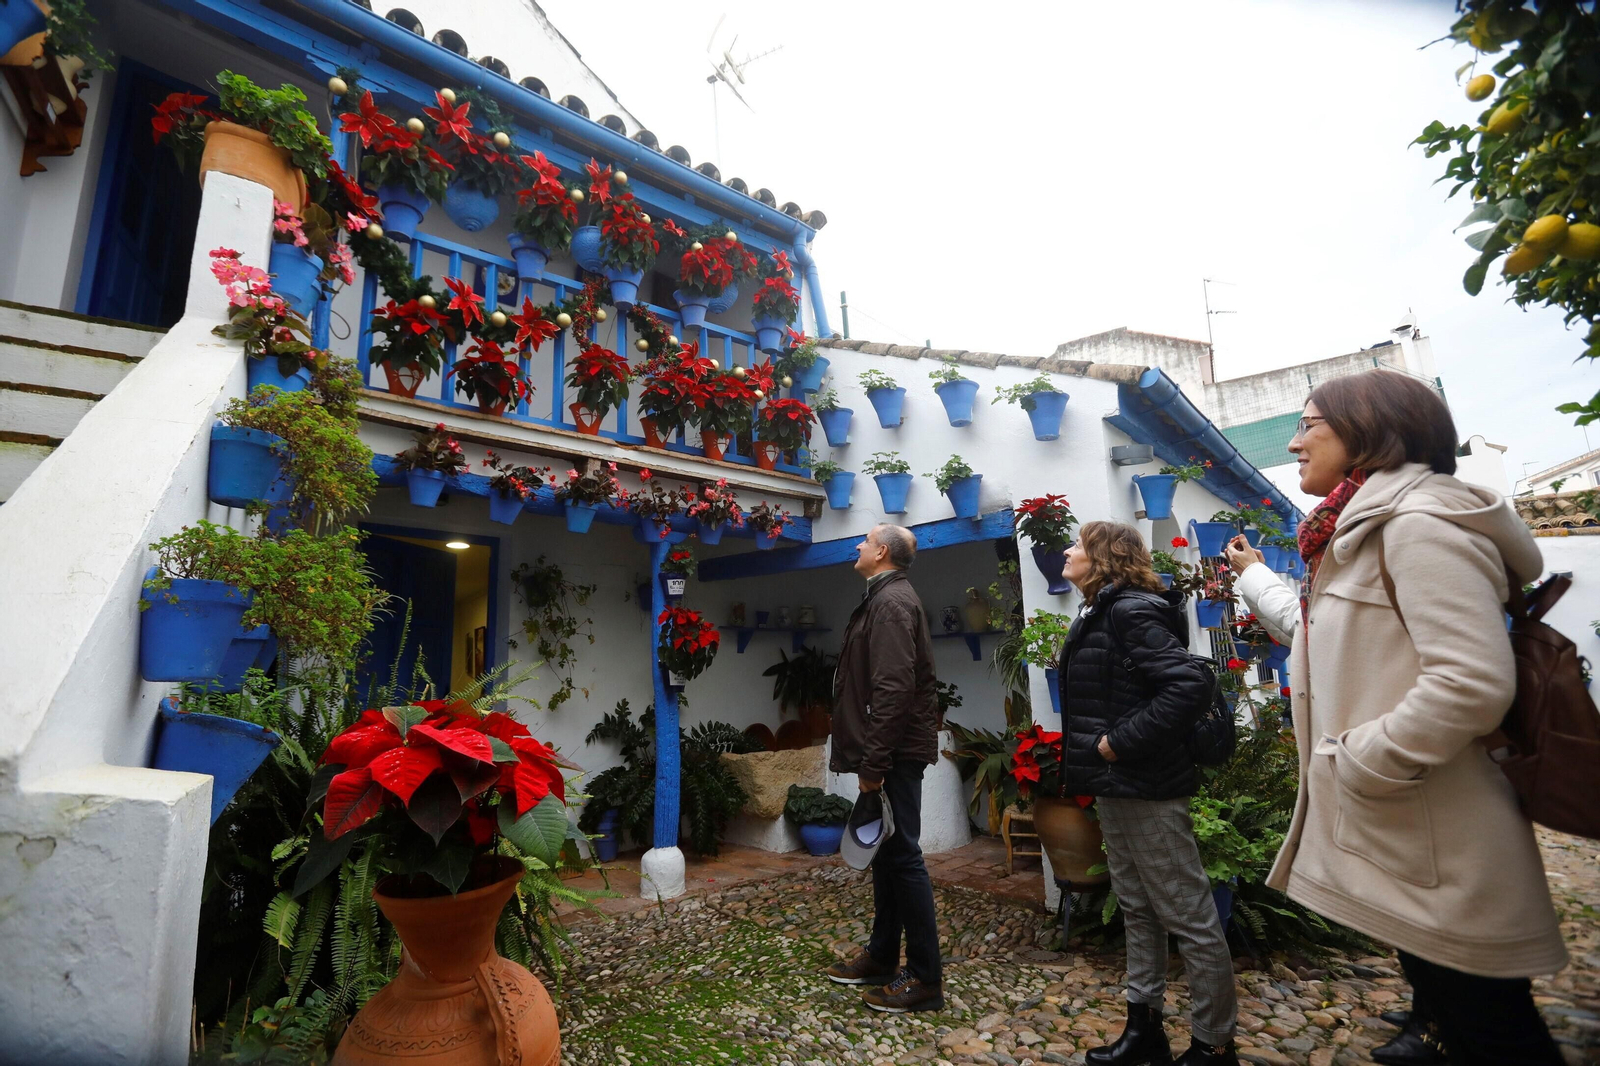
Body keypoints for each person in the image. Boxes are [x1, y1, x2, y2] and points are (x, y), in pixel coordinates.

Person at [1224, 370, 1567, 1066]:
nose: (1293, 442)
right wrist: (1255, 576)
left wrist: (1362, 759)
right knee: (1464, 1015)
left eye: (1309, 424)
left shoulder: (1417, 525)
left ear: (1366, 431)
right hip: (1410, 824)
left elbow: (1471, 682)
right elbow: (1316, 631)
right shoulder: (1358, 532)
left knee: (1496, 1031)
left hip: (1438, 825)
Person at [1061, 520, 1240, 1066]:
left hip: (1146, 785)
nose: (1066, 551)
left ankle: (1214, 1044)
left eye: (1077, 544)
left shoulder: (1130, 610)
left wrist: (1119, 743)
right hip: (1118, 785)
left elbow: (1190, 683)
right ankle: (1146, 1030)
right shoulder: (1102, 609)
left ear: (1103, 556)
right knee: (1138, 909)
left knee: (1188, 914)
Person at [824, 523, 944, 1013]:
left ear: (880, 551)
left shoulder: (891, 603)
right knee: (889, 855)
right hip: (888, 750)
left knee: (903, 857)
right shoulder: (882, 597)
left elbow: (893, 689)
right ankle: (880, 956)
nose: (856, 544)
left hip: (892, 753)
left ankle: (924, 978)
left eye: (864, 539)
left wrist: (874, 763)